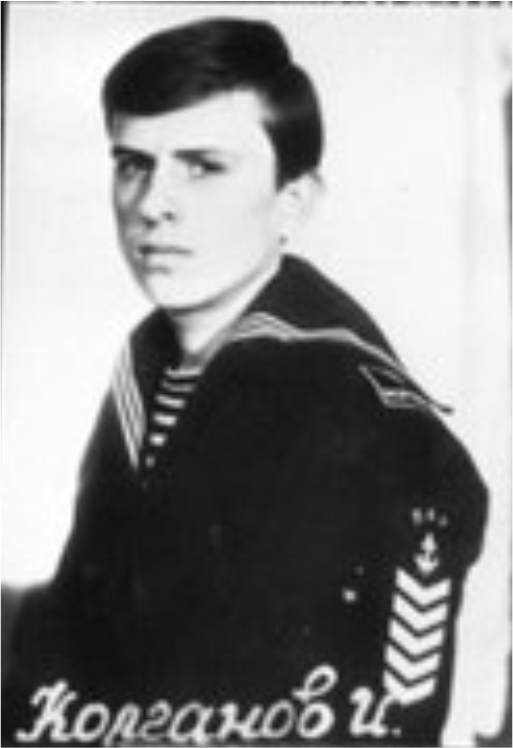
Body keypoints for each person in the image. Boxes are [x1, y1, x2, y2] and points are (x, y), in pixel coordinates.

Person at [2, 17, 487, 747]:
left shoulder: (356, 413)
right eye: (133, 164)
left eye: (203, 166)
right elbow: (90, 633)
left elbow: (367, 722)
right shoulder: (151, 365)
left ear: (293, 203)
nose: (152, 203)